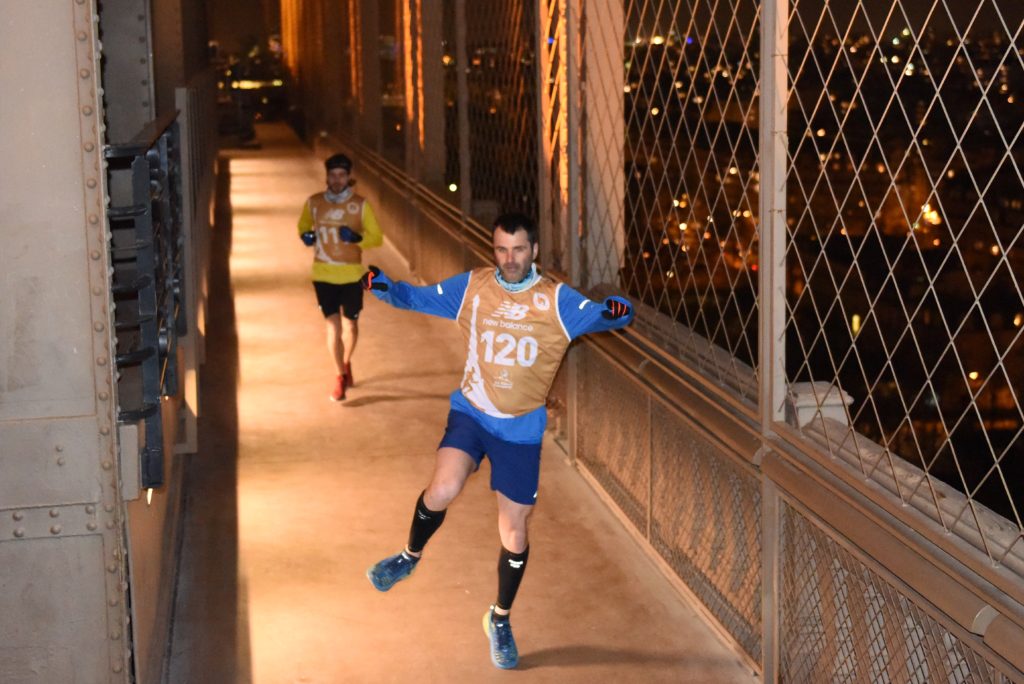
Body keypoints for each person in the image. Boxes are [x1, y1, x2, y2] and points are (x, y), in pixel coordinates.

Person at [361, 212, 634, 669]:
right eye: (502, 249)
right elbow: (417, 297)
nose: (509, 259)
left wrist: (617, 312)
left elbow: (605, 315)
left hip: (520, 430)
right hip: (471, 412)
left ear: (535, 252)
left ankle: (499, 618)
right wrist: (383, 285)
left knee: (514, 531)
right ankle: (408, 557)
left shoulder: (557, 301)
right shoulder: (474, 287)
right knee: (443, 489)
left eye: (519, 250)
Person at [298, 153, 383, 400]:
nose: (337, 180)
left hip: (352, 274)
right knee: (333, 326)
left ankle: (346, 362)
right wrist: (306, 236)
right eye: (332, 175)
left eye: (342, 175)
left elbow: (376, 237)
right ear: (327, 176)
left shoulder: (360, 205)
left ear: (348, 177)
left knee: (351, 324)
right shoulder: (314, 202)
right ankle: (339, 376)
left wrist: (357, 238)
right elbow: (303, 225)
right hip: (323, 273)